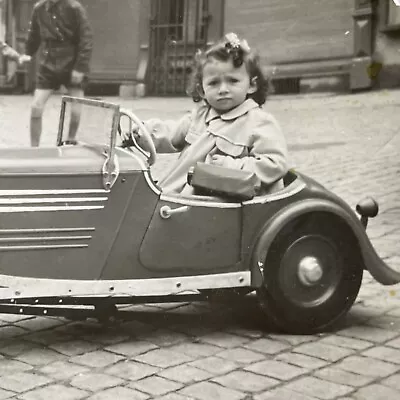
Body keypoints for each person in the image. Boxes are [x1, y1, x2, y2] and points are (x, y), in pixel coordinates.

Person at [123, 32, 288, 196]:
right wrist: (143, 134)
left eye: (233, 81)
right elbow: (171, 132)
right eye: (214, 83)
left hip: (216, 200)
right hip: (176, 192)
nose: (223, 89)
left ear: (252, 85)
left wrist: (229, 165)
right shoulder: (200, 116)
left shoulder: (258, 122)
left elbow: (275, 164)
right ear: (202, 90)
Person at [18, 0, 93, 147]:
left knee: (76, 109)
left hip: (72, 62)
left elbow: (86, 39)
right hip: (49, 64)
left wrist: (80, 67)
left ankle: (70, 141)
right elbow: (34, 34)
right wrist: (28, 53)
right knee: (36, 106)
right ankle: (34, 149)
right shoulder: (39, 9)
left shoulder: (74, 7)